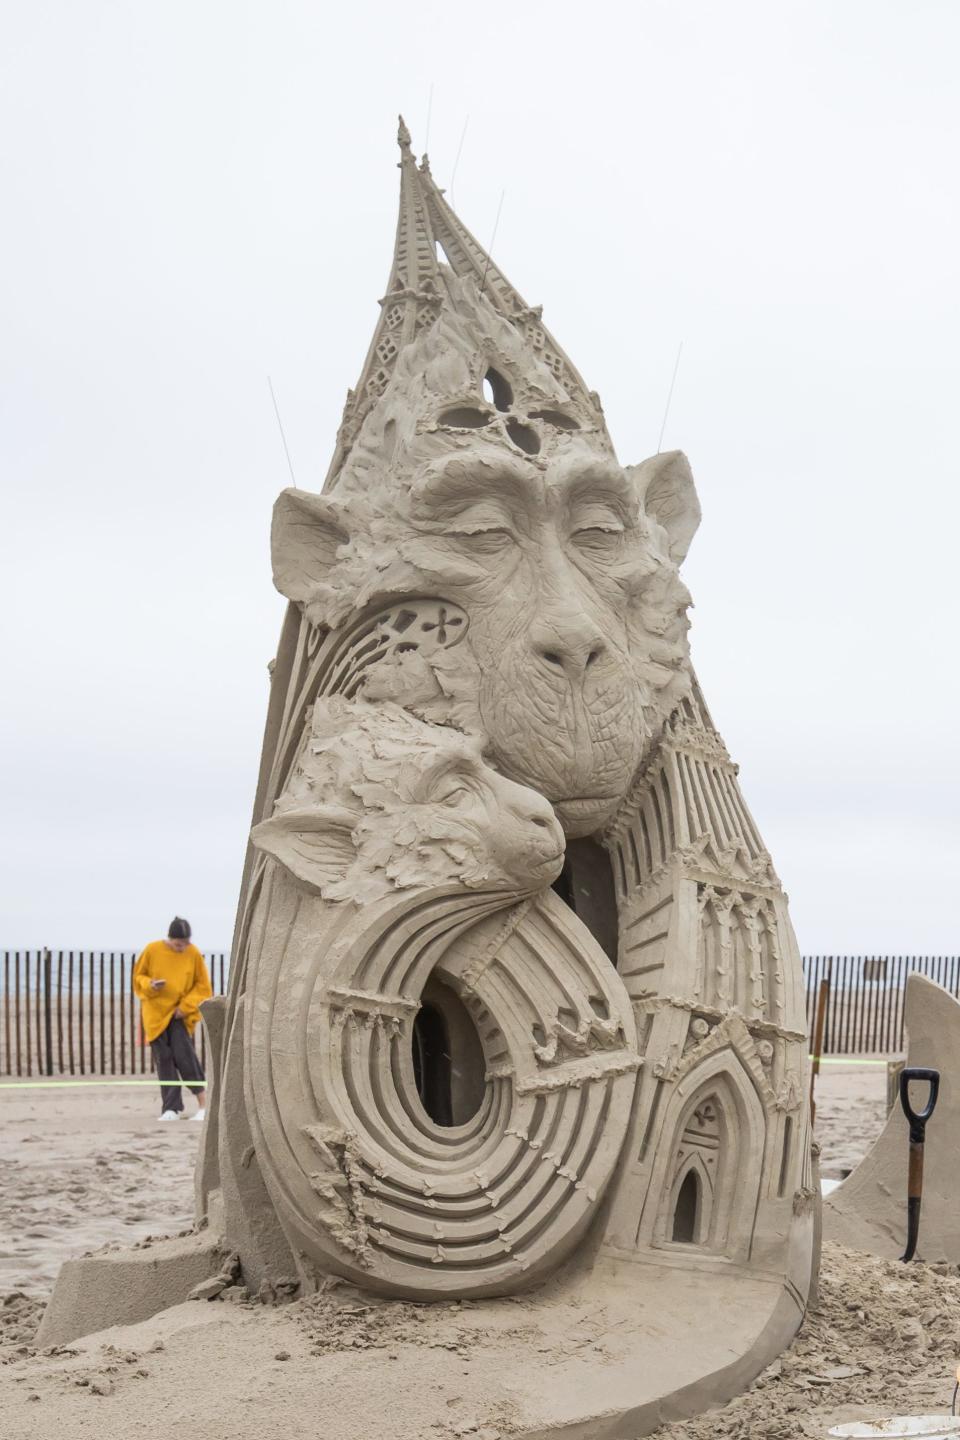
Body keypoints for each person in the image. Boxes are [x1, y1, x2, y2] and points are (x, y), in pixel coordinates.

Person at [132, 917, 212, 1122]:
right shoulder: (152, 950)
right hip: (155, 1014)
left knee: (185, 1056)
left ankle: (203, 1105)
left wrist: (185, 1007)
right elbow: (138, 978)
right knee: (164, 1060)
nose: (182, 948)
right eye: (178, 944)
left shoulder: (192, 953)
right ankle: (171, 1108)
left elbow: (203, 987)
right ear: (170, 939)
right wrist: (151, 985)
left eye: (185, 943)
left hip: (179, 1014)